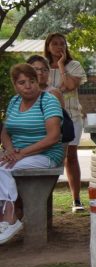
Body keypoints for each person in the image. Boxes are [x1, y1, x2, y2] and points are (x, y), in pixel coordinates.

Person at [0, 64, 64, 244]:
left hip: (46, 155)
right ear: (15, 85)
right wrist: (10, 150)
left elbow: (53, 137)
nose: (28, 86)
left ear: (38, 82)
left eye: (32, 81)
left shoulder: (48, 100)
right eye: (22, 83)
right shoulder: (14, 102)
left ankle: (10, 217)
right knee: (4, 164)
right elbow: (5, 132)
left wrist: (22, 154)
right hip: (17, 153)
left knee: (4, 168)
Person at [44, 33, 86, 213]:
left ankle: (76, 200)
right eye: (54, 43)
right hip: (46, 119)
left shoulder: (74, 65)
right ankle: (44, 200)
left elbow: (69, 86)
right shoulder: (42, 67)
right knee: (48, 157)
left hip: (72, 117)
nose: (59, 46)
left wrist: (61, 65)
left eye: (62, 43)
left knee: (71, 157)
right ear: (48, 46)